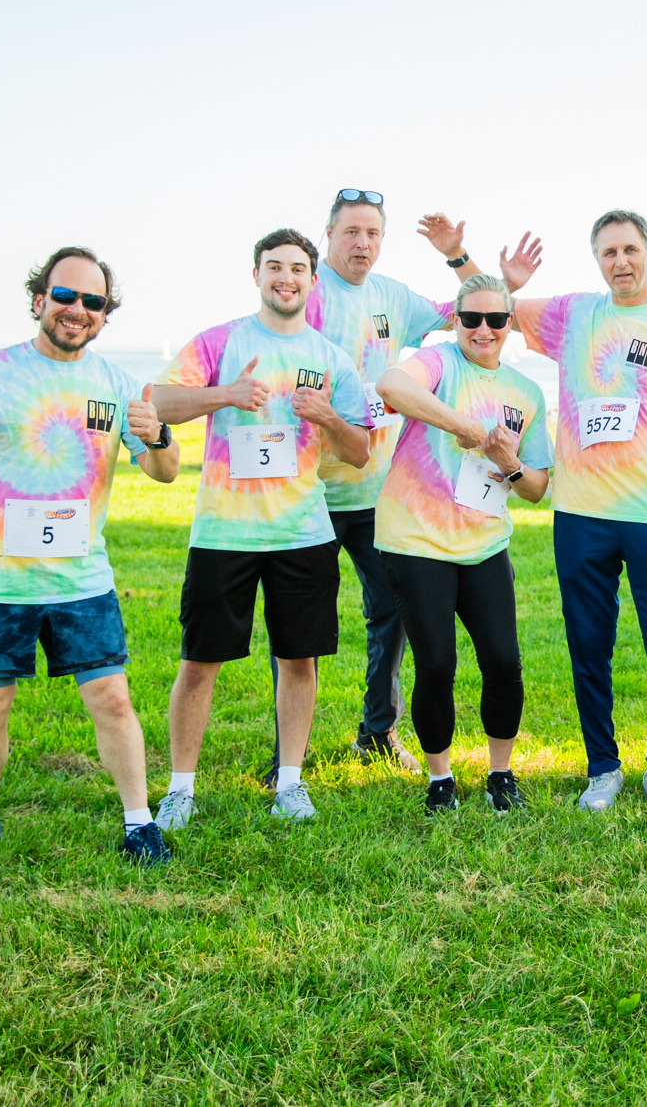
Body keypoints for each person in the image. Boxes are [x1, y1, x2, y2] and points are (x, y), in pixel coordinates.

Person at [0, 246, 180, 864]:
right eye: (65, 296)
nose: (77, 309)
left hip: (83, 578)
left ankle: (139, 824)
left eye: (93, 301)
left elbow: (164, 471)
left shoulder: (116, 384)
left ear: (105, 314)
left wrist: (156, 433)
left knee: (113, 699)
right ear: (39, 300)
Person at [267, 188, 541, 782]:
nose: (362, 243)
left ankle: (378, 730)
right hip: (304, 487)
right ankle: (285, 753)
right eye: (351, 232)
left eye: (373, 233)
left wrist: (463, 257)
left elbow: (467, 314)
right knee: (298, 626)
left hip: (379, 489)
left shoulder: (392, 295)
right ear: (329, 236)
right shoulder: (305, 293)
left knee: (389, 620)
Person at [150, 229, 374, 828]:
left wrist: (327, 415)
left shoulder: (330, 358)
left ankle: (291, 785)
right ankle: (180, 789)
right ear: (256, 274)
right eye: (275, 267)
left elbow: (359, 453)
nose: (287, 278)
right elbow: (153, 404)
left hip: (303, 532)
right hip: (223, 532)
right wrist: (224, 394)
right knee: (200, 662)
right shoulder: (219, 341)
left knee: (299, 660)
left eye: (298, 269)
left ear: (312, 279)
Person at [509, 210, 647, 811]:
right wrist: (467, 262)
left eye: (629, 249)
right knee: (588, 644)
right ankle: (603, 768)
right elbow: (491, 306)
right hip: (581, 514)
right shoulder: (575, 313)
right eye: (608, 253)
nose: (620, 261)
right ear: (596, 259)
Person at [372, 273, 553, 815]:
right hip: (416, 540)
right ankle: (440, 779)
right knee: (437, 665)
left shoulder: (526, 392)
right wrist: (469, 429)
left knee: (503, 661)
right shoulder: (439, 363)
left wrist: (509, 463)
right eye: (470, 318)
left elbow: (538, 488)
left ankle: (501, 775)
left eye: (495, 319)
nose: (482, 329)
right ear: (455, 321)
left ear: (508, 325)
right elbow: (391, 387)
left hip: (484, 545)